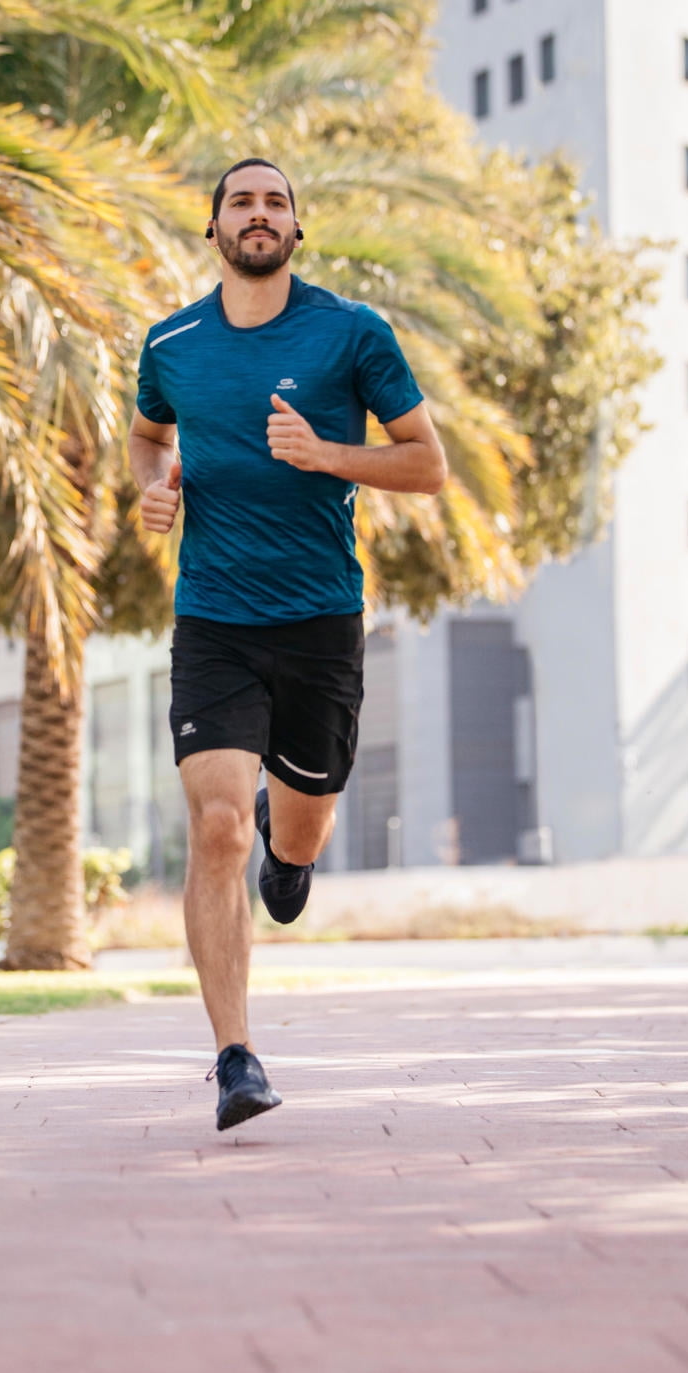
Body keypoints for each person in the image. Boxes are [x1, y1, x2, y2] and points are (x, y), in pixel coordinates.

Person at [129, 160, 447, 1130]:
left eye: (274, 202)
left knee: (291, 833)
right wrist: (154, 486)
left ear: (296, 227)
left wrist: (327, 455)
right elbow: (147, 433)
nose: (257, 214)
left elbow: (427, 463)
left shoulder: (350, 333)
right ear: (214, 225)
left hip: (318, 620)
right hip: (214, 618)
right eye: (241, 201)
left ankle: (292, 840)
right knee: (217, 827)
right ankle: (235, 1058)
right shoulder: (171, 341)